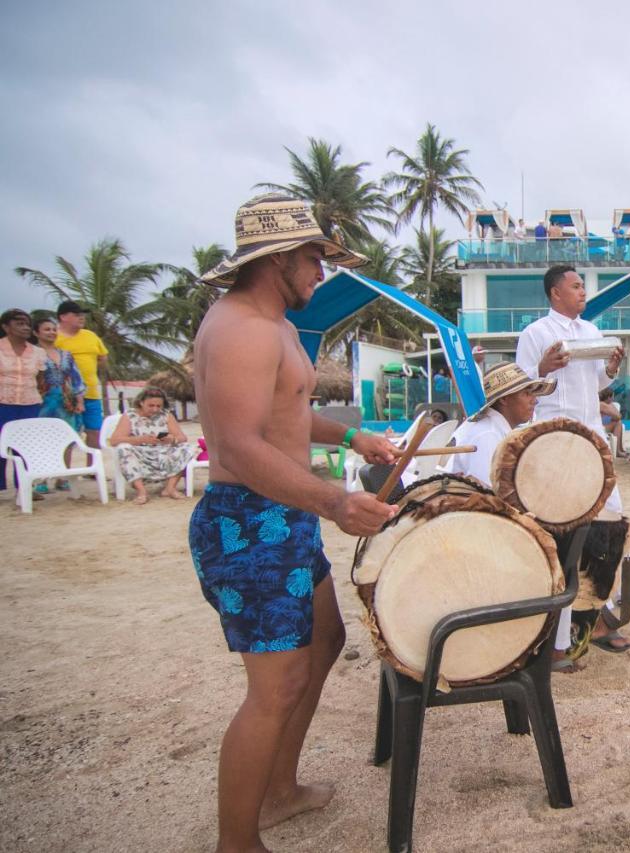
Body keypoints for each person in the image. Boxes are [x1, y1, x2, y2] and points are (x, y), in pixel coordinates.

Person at [188, 193, 399, 852]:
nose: (321, 271)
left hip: (285, 513)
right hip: (249, 520)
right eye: (314, 257)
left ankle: (278, 791)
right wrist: (335, 502)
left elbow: (289, 408)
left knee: (324, 639)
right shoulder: (240, 327)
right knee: (274, 689)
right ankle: (237, 841)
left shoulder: (274, 322)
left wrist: (352, 438)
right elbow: (238, 446)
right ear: (276, 257)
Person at [516, 264, 630, 663]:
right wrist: (543, 369)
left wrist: (610, 367)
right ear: (555, 293)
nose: (582, 292)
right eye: (575, 287)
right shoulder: (536, 333)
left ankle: (618, 599)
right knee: (562, 528)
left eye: (582, 287)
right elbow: (521, 388)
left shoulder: (592, 333)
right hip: (554, 440)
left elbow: (596, 385)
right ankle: (561, 624)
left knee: (612, 518)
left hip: (592, 436)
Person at [442, 362, 555, 484]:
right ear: (504, 399)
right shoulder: (487, 435)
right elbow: (487, 494)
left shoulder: (494, 430)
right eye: (527, 393)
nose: (535, 401)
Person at [108, 387, 199, 504]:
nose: (155, 409)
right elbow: (114, 440)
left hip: (163, 451)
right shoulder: (130, 416)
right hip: (140, 451)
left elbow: (182, 438)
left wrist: (172, 439)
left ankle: (170, 488)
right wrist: (140, 439)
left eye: (158, 406)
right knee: (123, 448)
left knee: (189, 448)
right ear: (141, 403)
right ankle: (141, 491)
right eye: (151, 406)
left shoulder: (166, 415)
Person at [34, 317, 86, 493]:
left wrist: (79, 401)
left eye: (53, 329)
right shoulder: (32, 353)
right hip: (42, 401)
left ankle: (62, 476)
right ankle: (40, 478)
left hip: (65, 400)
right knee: (40, 440)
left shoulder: (66, 354)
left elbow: (76, 379)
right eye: (46, 329)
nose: (51, 332)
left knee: (66, 438)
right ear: (36, 333)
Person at [55, 300, 109, 453]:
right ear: (63, 317)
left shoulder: (90, 336)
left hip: (91, 392)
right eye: (77, 314)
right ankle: (63, 472)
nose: (81, 317)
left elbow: (103, 357)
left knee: (95, 431)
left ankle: (93, 469)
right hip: (66, 395)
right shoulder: (55, 337)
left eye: (82, 315)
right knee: (67, 433)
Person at [0, 309, 43, 492]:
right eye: (19, 323)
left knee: (25, 447)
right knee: (1, 446)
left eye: (27, 324)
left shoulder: (38, 352)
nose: (25, 327)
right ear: (6, 327)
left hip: (30, 404)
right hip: (2, 403)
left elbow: (40, 380)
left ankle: (24, 488)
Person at [598, 387, 626, 455]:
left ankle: (620, 449)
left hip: (601, 427)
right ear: (608, 397)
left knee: (617, 422)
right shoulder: (603, 405)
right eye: (612, 396)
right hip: (599, 429)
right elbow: (619, 416)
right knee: (618, 423)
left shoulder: (601, 404)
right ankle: (618, 451)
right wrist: (611, 404)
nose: (613, 398)